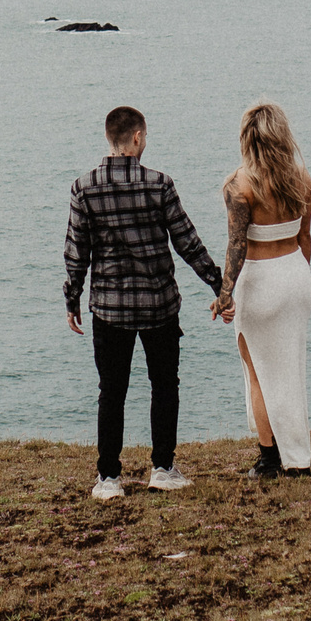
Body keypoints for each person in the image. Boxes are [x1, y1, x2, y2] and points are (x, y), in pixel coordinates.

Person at [63, 104, 224, 500]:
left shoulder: (84, 188)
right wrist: (220, 284)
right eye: (145, 136)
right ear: (136, 138)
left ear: (109, 139)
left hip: (109, 308)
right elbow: (187, 241)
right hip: (159, 305)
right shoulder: (159, 184)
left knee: (111, 391)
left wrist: (72, 297)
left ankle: (108, 478)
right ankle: (163, 468)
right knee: (164, 385)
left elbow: (75, 251)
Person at [210, 100, 311, 479]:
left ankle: (269, 460)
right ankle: (298, 458)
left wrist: (224, 295)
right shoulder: (302, 181)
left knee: (257, 372)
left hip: (260, 281)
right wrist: (300, 280)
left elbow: (236, 247)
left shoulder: (239, 186)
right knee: (292, 370)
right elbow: (305, 238)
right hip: (296, 276)